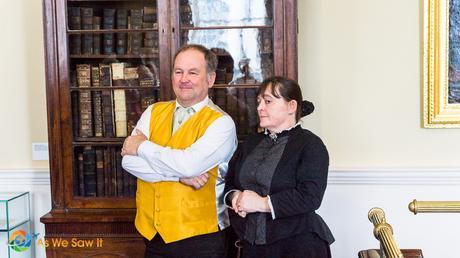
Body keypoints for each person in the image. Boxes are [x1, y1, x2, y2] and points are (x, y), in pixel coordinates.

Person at [121, 44, 237, 258]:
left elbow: (189, 164)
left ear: (210, 79)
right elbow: (127, 162)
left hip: (201, 240)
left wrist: (141, 146)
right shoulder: (153, 111)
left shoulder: (222, 123)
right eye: (178, 71)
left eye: (193, 72)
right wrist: (180, 177)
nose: (184, 79)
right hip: (153, 236)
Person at [224, 76, 334, 258]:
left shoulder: (311, 144)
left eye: (268, 101)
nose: (259, 107)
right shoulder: (251, 142)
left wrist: (261, 203)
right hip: (251, 246)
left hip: (299, 245)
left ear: (291, 106)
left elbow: (310, 196)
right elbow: (229, 183)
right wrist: (236, 198)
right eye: (259, 101)